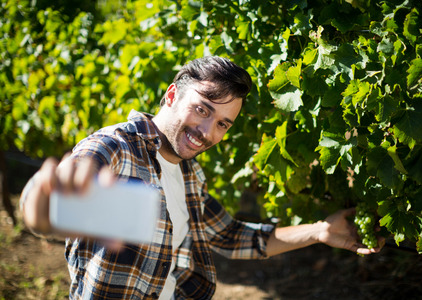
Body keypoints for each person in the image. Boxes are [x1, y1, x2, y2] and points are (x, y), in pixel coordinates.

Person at [20, 56, 384, 299]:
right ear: (171, 95)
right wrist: (42, 202)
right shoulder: (116, 147)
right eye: (202, 109)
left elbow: (229, 236)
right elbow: (46, 213)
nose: (207, 131)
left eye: (222, 123)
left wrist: (320, 230)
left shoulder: (189, 172)